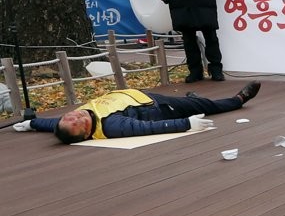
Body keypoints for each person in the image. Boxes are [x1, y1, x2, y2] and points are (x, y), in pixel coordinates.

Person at [11, 82, 260, 144]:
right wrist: (186, 124)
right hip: (159, 108)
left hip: (141, 95)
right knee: (207, 107)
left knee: (197, 102)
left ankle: (193, 100)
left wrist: (33, 123)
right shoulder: (111, 126)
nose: (75, 116)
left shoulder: (70, 121)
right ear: (88, 133)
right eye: (78, 122)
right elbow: (146, 128)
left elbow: (55, 124)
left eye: (71, 117)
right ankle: (238, 99)